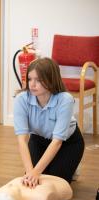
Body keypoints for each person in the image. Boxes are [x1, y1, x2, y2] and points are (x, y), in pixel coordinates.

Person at [13, 57, 84, 188]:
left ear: (51, 80)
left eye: (38, 80)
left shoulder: (65, 100)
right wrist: (30, 172)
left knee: (54, 183)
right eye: (30, 79)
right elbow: (22, 140)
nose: (32, 85)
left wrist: (36, 171)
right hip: (38, 140)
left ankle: (72, 167)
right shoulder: (21, 99)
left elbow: (57, 142)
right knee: (35, 182)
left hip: (67, 143)